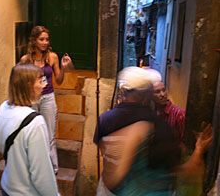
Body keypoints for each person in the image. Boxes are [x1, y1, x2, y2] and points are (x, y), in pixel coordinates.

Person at [94, 67, 212, 195]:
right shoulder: (159, 126)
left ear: (122, 91)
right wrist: (199, 150)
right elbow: (182, 171)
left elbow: (106, 155)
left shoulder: (104, 120)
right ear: (149, 94)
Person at [0, 63, 58, 195]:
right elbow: (42, 173)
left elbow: (1, 146)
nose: (44, 85)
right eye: (40, 81)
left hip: (7, 187)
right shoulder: (35, 122)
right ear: (29, 85)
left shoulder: (3, 108)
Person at [19, 25, 72, 173]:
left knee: (49, 134)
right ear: (34, 41)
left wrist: (63, 67)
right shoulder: (26, 60)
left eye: (47, 39)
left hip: (48, 98)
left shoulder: (52, 57)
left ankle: (52, 168)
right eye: (41, 39)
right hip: (31, 99)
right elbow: (20, 80)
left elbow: (59, 80)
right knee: (31, 133)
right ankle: (33, 167)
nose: (45, 42)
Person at [148, 69, 185, 142]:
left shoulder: (179, 114)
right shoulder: (153, 112)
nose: (162, 95)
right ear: (150, 95)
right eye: (157, 92)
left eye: (164, 90)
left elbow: (184, 141)